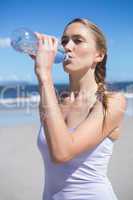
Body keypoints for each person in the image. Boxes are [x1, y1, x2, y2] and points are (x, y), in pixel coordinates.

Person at [32, 18, 127, 200]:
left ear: (99, 55)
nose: (67, 47)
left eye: (78, 40)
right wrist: (41, 77)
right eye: (65, 41)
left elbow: (62, 153)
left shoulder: (112, 101)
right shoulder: (54, 100)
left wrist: (44, 74)